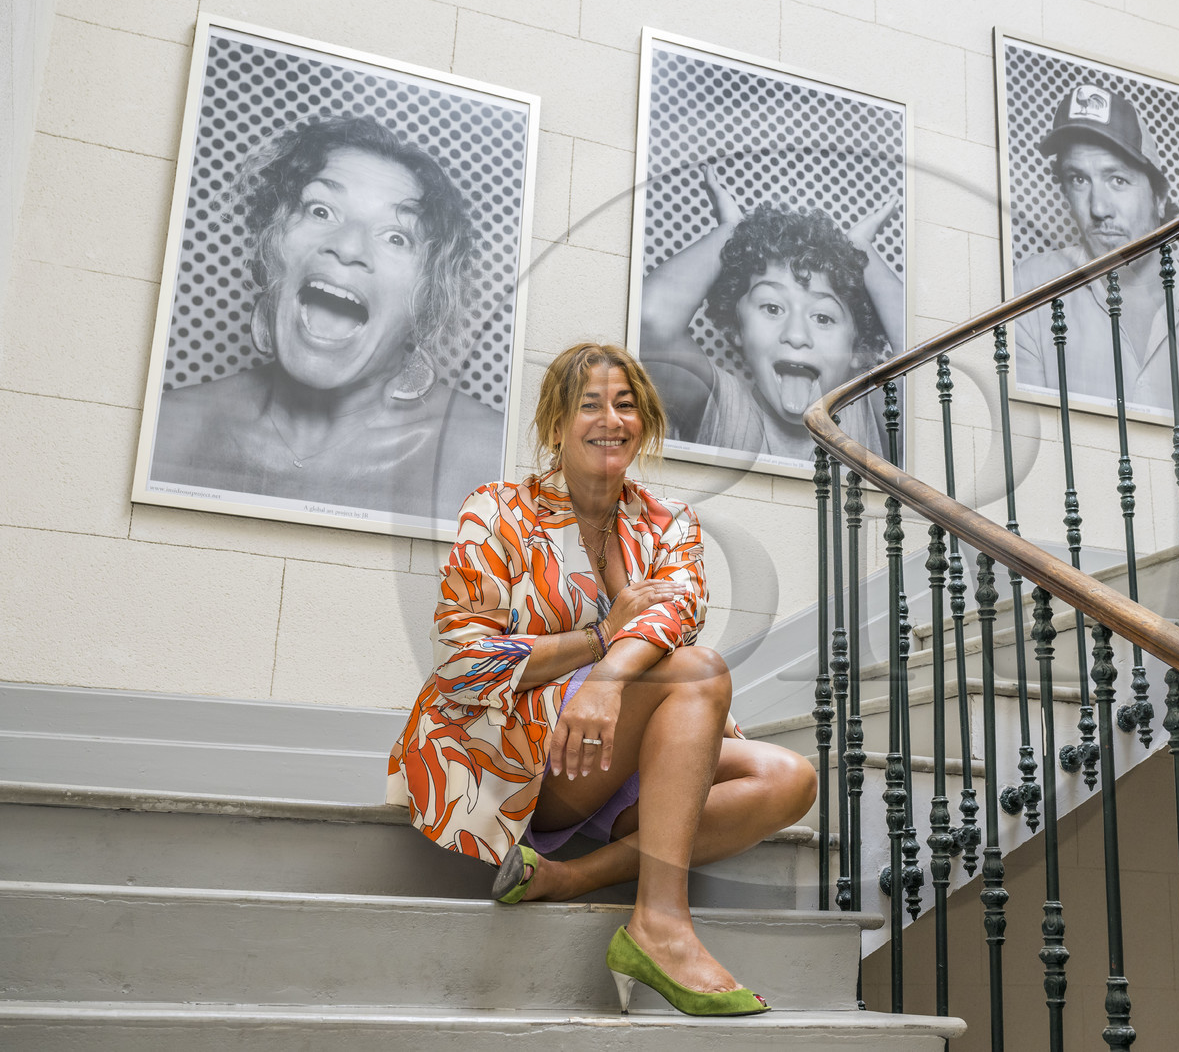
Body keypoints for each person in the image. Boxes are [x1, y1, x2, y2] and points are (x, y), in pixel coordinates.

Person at [386, 342, 817, 1016]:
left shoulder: (669, 523)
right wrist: (594, 642)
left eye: (626, 404)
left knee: (792, 778)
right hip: (515, 754)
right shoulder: (498, 510)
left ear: (643, 423)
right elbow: (462, 662)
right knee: (700, 672)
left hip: (615, 742)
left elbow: (676, 615)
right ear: (556, 425)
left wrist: (608, 676)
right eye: (589, 403)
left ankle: (568, 877)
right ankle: (662, 922)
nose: (610, 418)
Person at [148, 114, 502, 522]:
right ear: (270, 245)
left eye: (396, 236)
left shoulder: (489, 463)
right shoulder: (166, 430)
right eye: (321, 210)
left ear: (429, 297)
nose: (348, 246)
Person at [640, 164, 903, 463]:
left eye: (823, 317)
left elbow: (923, 351)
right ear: (737, 329)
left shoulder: (875, 414)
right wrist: (731, 234)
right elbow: (651, 321)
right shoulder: (719, 407)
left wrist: (860, 251)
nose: (795, 335)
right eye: (772, 308)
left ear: (858, 349)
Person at [1012, 84, 1179, 422]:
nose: (1098, 208)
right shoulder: (1029, 287)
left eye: (1117, 180)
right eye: (1079, 179)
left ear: (1159, 198)